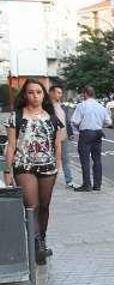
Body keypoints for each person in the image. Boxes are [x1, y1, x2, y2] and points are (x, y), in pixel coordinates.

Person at [3, 79, 64, 265]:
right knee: (32, 206)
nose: (35, 96)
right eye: (31, 92)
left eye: (39, 92)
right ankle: (36, 245)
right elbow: (11, 145)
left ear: (43, 95)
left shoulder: (52, 117)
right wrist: (7, 170)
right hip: (24, 166)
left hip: (48, 167)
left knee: (44, 206)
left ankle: (41, 240)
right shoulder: (16, 117)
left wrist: (58, 166)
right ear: (25, 95)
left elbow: (56, 144)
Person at [71, 85, 110, 192]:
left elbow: (75, 121)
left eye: (82, 94)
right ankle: (97, 184)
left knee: (85, 160)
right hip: (98, 133)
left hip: (86, 133)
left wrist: (80, 127)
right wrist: (99, 125)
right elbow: (108, 122)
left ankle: (87, 184)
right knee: (97, 159)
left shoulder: (81, 106)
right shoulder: (101, 106)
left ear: (85, 94)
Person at [49, 84, 75, 188]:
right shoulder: (46, 107)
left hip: (64, 137)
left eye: (61, 93)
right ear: (51, 93)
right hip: (51, 138)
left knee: (66, 159)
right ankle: (49, 180)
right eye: (58, 92)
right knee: (51, 159)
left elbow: (67, 121)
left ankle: (69, 181)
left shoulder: (63, 107)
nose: (60, 95)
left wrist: (70, 133)